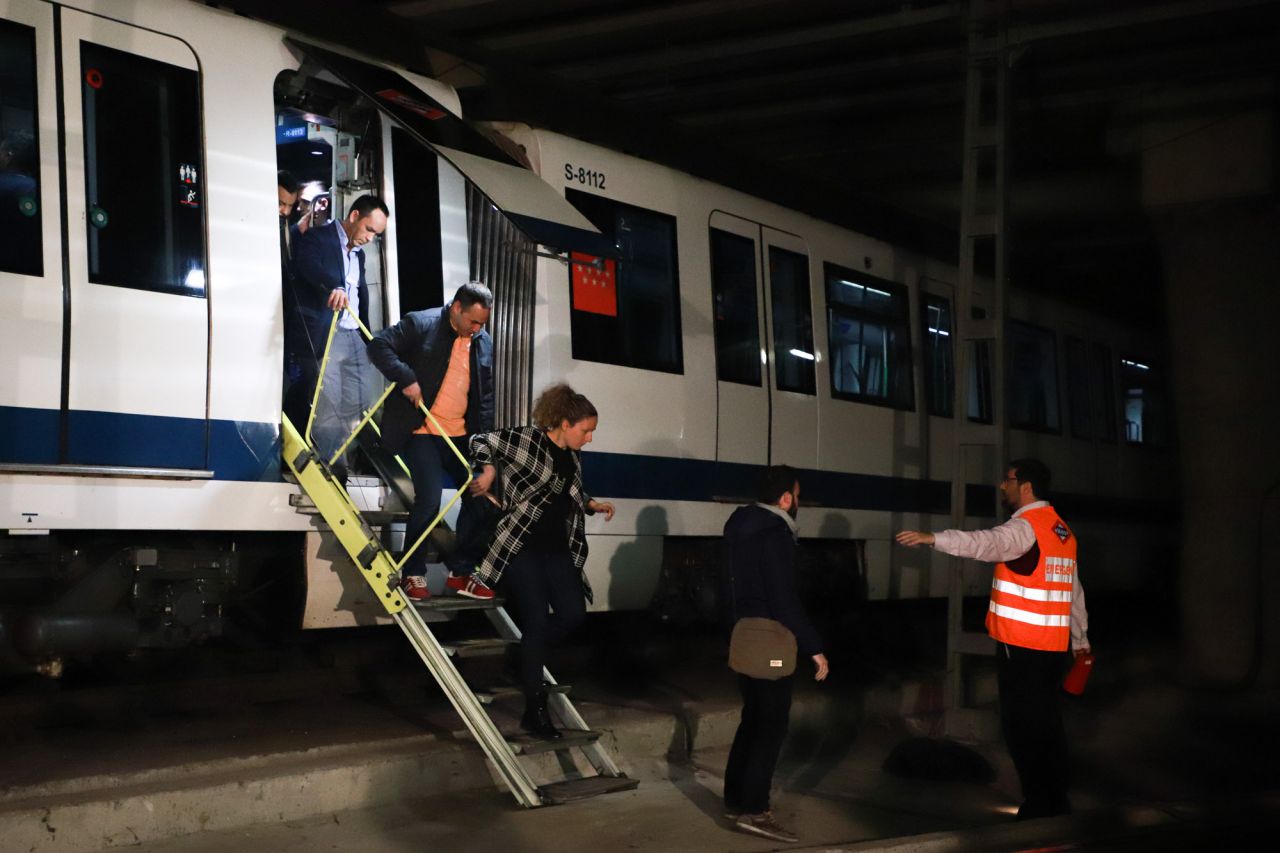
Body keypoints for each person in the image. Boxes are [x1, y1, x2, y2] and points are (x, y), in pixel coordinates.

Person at [895, 458, 1090, 821]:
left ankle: (1038, 807)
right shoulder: (1061, 531)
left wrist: (934, 538)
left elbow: (986, 543)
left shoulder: (1025, 529)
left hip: (1022, 648)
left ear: (1026, 486)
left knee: (1022, 729)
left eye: (1008, 480)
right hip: (1051, 649)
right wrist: (1080, 641)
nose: (1003, 486)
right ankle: (1055, 800)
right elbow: (1072, 592)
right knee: (1048, 725)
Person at [467, 384, 615, 739]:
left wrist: (591, 504)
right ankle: (535, 711)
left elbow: (569, 490)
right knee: (535, 622)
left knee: (572, 614)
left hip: (557, 548)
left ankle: (523, 658)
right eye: (586, 430)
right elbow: (479, 440)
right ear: (564, 423)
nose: (590, 438)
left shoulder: (573, 456)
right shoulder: (527, 440)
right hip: (521, 546)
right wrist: (486, 470)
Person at [367, 282, 495, 601]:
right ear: (456, 309)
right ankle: (412, 573)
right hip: (421, 429)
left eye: (482, 323)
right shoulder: (421, 323)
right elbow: (378, 346)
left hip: (460, 434)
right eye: (473, 322)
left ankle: (461, 573)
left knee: (480, 498)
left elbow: (485, 401)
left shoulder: (483, 342)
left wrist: (487, 459)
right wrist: (406, 378)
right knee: (430, 499)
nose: (478, 329)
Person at [721, 465, 829, 844]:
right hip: (772, 639)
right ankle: (755, 810)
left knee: (753, 718)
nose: (798, 502)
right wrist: (815, 648)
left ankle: (735, 799)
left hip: (743, 634)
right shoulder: (776, 534)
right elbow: (784, 599)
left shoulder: (739, 528)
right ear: (786, 498)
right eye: (796, 495)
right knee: (771, 725)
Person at [288, 194, 388, 479]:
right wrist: (332, 285)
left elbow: (359, 294)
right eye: (370, 229)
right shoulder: (318, 239)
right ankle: (333, 469)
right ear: (354, 216)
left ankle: (329, 448)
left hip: (353, 333)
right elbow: (306, 265)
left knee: (360, 399)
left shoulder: (359, 254)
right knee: (328, 401)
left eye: (376, 234)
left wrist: (370, 339)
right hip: (325, 331)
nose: (371, 238)